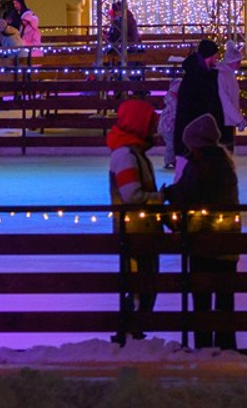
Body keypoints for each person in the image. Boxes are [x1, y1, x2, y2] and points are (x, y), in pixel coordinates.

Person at [167, 114, 241, 351]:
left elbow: (187, 194)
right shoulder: (224, 162)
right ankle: (226, 346)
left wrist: (168, 197)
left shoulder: (201, 165)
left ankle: (203, 347)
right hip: (228, 243)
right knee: (225, 299)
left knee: (201, 299)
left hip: (203, 241)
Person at [106, 96, 164, 343]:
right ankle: (131, 333)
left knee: (145, 283)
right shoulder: (125, 155)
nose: (154, 129)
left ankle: (133, 333)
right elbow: (132, 195)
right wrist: (160, 198)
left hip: (142, 230)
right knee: (140, 283)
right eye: (150, 124)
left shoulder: (133, 153)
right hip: (134, 233)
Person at [215, 43, 246, 143]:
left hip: (227, 119)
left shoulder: (228, 74)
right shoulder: (224, 75)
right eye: (238, 62)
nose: (240, 64)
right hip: (224, 120)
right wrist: (238, 119)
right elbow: (225, 100)